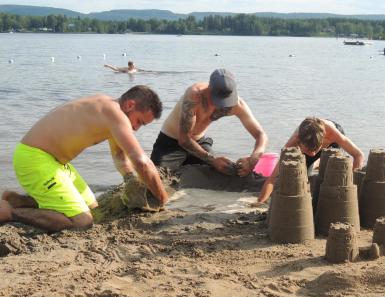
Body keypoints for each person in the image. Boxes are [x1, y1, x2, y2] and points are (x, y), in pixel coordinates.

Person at [0, 85, 168, 232]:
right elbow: (141, 161)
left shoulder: (109, 110)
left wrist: (131, 180)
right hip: (34, 158)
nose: (136, 128)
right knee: (82, 221)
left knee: (92, 209)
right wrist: (163, 199)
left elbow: (120, 157)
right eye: (139, 121)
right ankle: (9, 213)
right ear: (130, 105)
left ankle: (17, 201)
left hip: (55, 162)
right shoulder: (115, 114)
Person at [150, 68, 268, 177]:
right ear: (209, 89)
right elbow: (184, 139)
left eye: (226, 100)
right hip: (170, 142)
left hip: (199, 142)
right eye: (218, 99)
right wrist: (212, 159)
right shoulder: (194, 95)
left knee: (230, 172)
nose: (221, 104)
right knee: (157, 177)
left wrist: (254, 158)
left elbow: (261, 135)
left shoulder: (237, 105)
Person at [257, 117, 364, 203]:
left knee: (333, 173)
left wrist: (352, 191)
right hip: (310, 143)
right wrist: (260, 201)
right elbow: (274, 177)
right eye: (308, 150)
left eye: (315, 149)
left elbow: (358, 155)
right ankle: (316, 163)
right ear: (299, 143)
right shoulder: (294, 140)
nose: (312, 153)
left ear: (322, 141)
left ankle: (319, 163)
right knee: (303, 175)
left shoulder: (334, 134)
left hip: (332, 144)